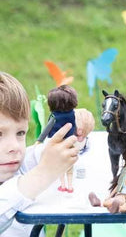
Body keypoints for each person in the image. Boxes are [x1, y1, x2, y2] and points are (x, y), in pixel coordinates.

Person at [0, 71, 79, 237]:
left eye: (20, 133)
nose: (14, 146)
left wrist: (71, 125)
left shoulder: (16, 165)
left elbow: (43, 153)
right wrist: (43, 173)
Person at [37, 85, 79, 193]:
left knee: (60, 165)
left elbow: (47, 129)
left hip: (58, 143)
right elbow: (75, 125)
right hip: (70, 142)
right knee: (70, 164)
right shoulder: (72, 114)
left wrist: (40, 140)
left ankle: (63, 185)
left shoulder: (54, 116)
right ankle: (70, 186)